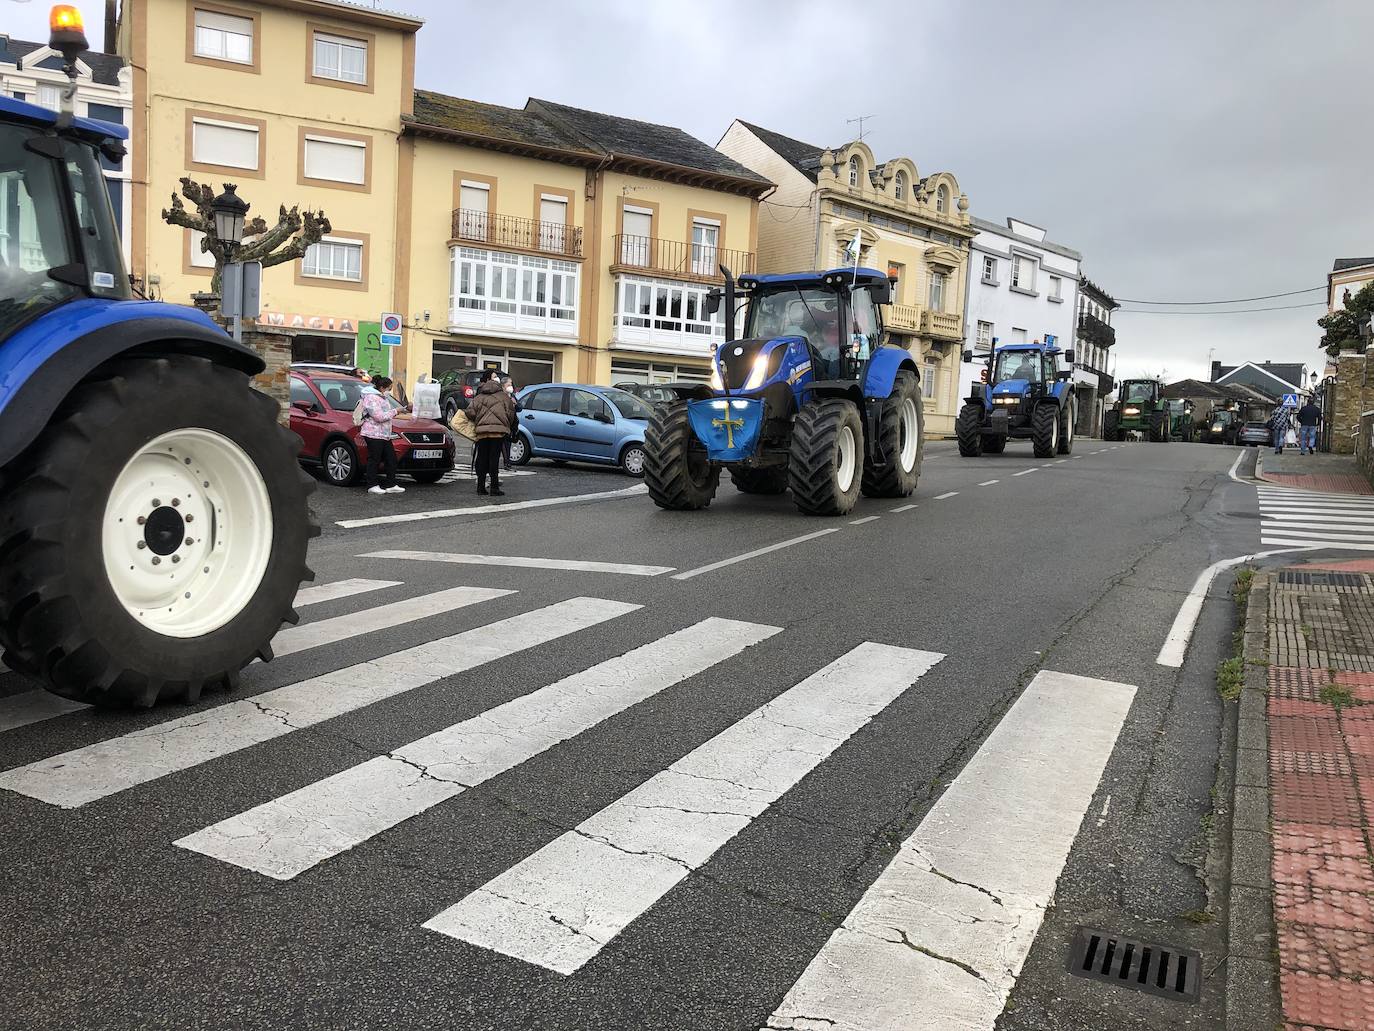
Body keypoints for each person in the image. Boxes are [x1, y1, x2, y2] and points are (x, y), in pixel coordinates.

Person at [359, 375, 413, 495]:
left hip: (383, 434)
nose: (390, 391)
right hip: (373, 433)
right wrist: (396, 411)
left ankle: (391, 484)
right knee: (374, 459)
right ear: (382, 388)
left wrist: (402, 409)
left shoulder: (382, 397)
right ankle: (372, 485)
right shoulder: (371, 398)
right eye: (389, 388)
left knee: (391, 459)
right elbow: (379, 417)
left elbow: (387, 412)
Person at [466, 370, 517, 496]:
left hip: (482, 433)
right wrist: (507, 425)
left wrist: (479, 420)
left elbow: (470, 412)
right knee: (494, 459)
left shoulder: (479, 397)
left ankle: (480, 487)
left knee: (482, 459)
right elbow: (511, 414)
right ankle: (494, 488)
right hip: (498, 433)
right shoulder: (504, 397)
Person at [500, 376, 519, 470]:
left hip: (511, 424)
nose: (510, 386)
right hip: (502, 423)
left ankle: (507, 462)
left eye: (511, 384)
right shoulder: (500, 396)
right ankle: (506, 463)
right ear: (503, 386)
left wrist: (515, 404)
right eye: (509, 384)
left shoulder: (512, 396)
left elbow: (519, 408)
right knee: (503, 443)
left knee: (508, 444)